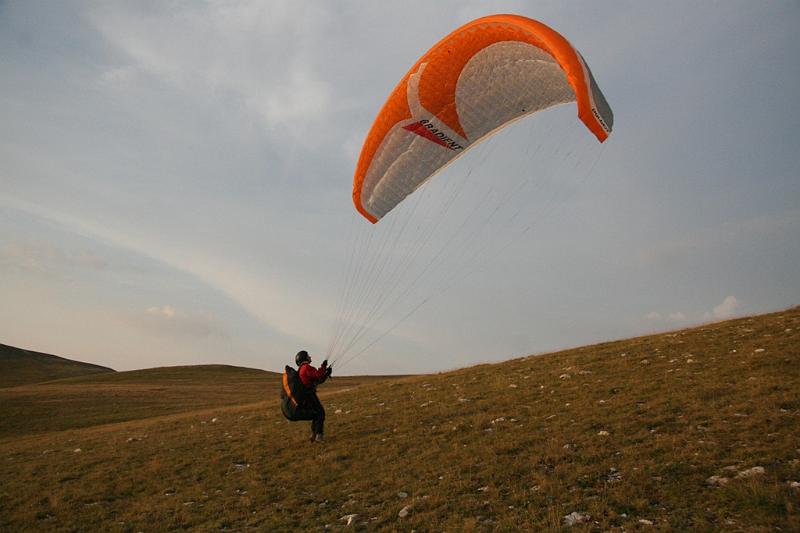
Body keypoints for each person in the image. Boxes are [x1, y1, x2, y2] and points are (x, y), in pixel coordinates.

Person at [293, 350, 332, 443]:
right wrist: (323, 368)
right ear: (304, 358)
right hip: (309, 395)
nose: (310, 357)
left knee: (316, 413)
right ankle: (318, 436)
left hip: (305, 396)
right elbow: (318, 375)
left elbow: (317, 380)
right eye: (308, 356)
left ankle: (314, 435)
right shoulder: (306, 367)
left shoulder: (301, 369)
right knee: (320, 413)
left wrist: (326, 372)